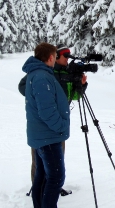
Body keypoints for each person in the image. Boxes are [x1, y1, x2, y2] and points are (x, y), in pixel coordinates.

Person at [18, 44, 87, 196]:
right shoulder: (42, 72)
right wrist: (45, 94)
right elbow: (24, 87)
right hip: (45, 125)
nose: (67, 60)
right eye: (64, 56)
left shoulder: (66, 72)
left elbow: (74, 96)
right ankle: (41, 189)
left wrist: (81, 85)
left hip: (56, 125)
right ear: (54, 57)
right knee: (39, 163)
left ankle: (53, 188)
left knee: (57, 159)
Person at [22, 42, 70, 208]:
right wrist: (61, 126)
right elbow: (47, 111)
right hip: (48, 137)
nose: (56, 59)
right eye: (56, 56)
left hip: (42, 136)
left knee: (42, 177)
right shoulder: (42, 77)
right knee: (56, 178)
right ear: (50, 57)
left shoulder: (37, 74)